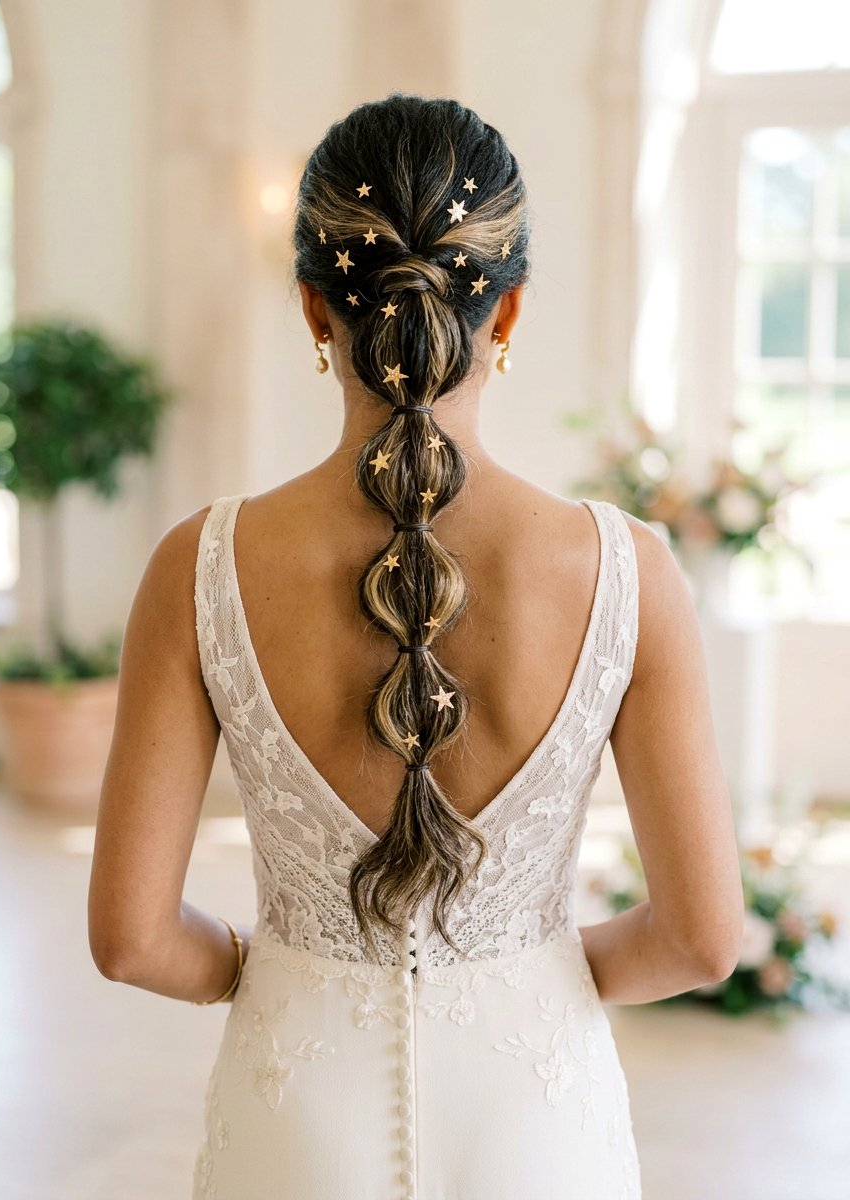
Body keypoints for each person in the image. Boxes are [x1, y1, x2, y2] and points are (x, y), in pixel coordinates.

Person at [88, 93, 744, 1199]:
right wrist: (526, 974)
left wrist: (267, 973)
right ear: (509, 313)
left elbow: (131, 939)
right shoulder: (627, 572)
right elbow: (699, 941)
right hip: (533, 1109)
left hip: (294, 1109)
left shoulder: (197, 565)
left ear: (312, 309)